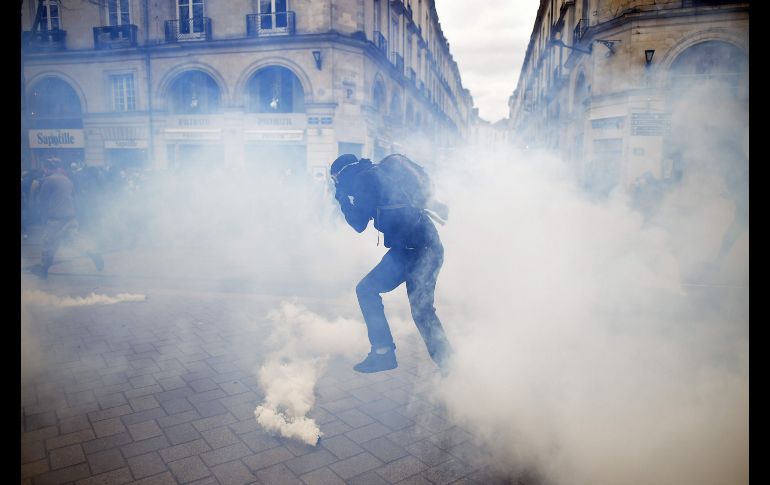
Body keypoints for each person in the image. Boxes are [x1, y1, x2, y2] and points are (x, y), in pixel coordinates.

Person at [330, 153, 453, 374]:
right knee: (372, 291)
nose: (337, 185)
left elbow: (358, 224)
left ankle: (389, 354)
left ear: (341, 174)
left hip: (420, 251)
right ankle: (389, 353)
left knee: (419, 310)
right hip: (412, 248)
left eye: (335, 180)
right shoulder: (375, 173)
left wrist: (340, 197)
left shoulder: (363, 181)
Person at [30, 158, 104, 279]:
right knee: (75, 239)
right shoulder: (67, 180)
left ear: (47, 168)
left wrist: (42, 217)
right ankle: (92, 252)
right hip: (70, 215)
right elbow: (75, 198)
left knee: (48, 243)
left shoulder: (49, 180)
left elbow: (43, 201)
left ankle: (43, 269)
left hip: (55, 218)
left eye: (45, 167)